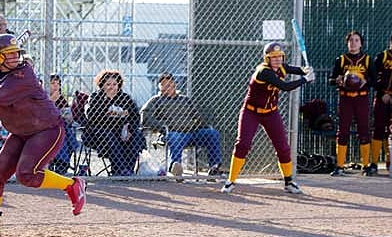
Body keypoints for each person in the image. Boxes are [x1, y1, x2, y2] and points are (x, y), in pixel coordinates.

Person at [0, 34, 86, 237]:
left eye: (15, 53)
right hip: (20, 131)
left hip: (46, 129)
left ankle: (72, 185)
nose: (15, 57)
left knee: (27, 175)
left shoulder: (24, 74)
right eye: (9, 54)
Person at [221, 42, 315, 194]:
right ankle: (230, 181)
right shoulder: (263, 71)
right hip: (251, 112)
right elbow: (285, 87)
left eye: (279, 56)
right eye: (273, 57)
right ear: (267, 58)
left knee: (283, 147)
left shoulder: (281, 66)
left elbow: (293, 69)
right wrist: (305, 79)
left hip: (270, 112)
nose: (277, 59)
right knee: (243, 144)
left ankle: (289, 182)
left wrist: (305, 71)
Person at [140, 73, 222, 180]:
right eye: (164, 85)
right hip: (173, 133)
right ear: (160, 87)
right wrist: (162, 126)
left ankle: (214, 167)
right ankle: (176, 167)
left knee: (212, 134)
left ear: (174, 85)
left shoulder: (185, 100)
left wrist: (200, 125)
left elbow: (197, 117)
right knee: (175, 136)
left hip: (191, 133)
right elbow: (145, 117)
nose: (167, 87)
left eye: (170, 84)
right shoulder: (156, 100)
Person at [327, 30, 374, 176]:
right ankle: (340, 166)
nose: (353, 43)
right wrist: (338, 80)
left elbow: (374, 80)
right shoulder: (341, 60)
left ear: (361, 43)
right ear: (347, 43)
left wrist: (366, 81)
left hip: (361, 98)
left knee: (364, 130)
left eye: (356, 40)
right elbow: (331, 80)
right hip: (345, 98)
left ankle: (366, 165)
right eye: (351, 40)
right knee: (343, 131)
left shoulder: (367, 60)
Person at [85, 69, 146, 176]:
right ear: (102, 85)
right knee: (108, 135)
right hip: (100, 132)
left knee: (137, 136)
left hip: (122, 131)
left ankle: (128, 169)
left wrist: (130, 130)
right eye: (108, 84)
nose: (111, 87)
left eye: (114, 84)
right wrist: (106, 100)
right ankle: (120, 169)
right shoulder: (95, 97)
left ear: (119, 85)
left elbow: (135, 116)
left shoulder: (125, 98)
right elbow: (91, 116)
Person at [47, 74, 80, 174]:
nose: (56, 86)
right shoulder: (42, 97)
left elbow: (69, 118)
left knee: (64, 129)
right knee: (63, 131)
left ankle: (61, 161)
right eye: (53, 83)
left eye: (58, 84)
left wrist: (65, 116)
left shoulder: (61, 99)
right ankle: (62, 162)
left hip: (61, 127)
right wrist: (51, 101)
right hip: (47, 128)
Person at [370, 34, 392, 174]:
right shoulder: (382, 57)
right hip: (381, 97)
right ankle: (374, 163)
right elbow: (373, 78)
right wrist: (382, 93)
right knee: (378, 129)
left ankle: (390, 163)